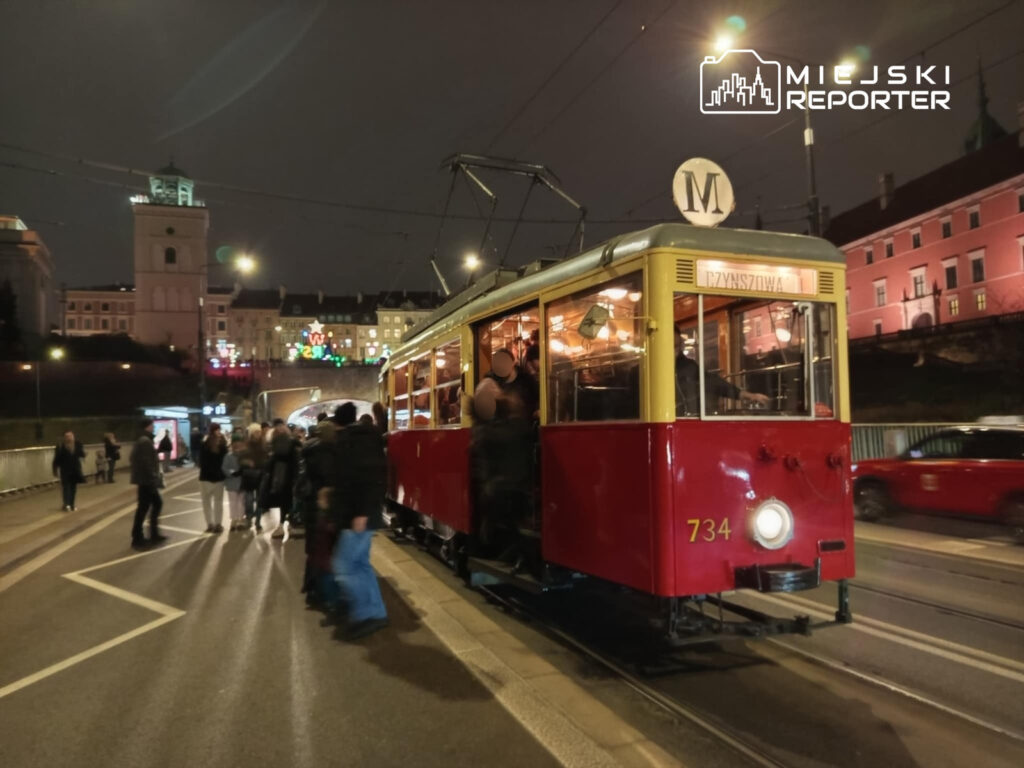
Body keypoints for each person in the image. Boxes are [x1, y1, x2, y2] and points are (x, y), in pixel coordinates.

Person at [330, 401, 389, 640]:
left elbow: (364, 477)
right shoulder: (365, 438)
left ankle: (366, 613)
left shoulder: (352, 441)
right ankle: (375, 612)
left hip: (356, 515)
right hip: (359, 512)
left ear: (338, 422)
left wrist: (361, 513)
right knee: (361, 565)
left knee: (344, 566)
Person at [674, 325, 770, 416]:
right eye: (670, 346)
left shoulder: (688, 366)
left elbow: (712, 382)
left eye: (676, 346)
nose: (675, 351)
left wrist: (743, 394)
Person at [130, 419, 165, 549]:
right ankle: (138, 537)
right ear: (148, 426)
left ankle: (151, 534)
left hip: (144, 480)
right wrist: (153, 477)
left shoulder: (141, 440)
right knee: (148, 506)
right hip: (146, 481)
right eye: (152, 426)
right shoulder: (145, 441)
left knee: (148, 506)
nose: (154, 428)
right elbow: (147, 462)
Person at [263, 422, 298, 540]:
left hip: (277, 478)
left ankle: (281, 526)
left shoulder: (273, 444)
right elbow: (296, 461)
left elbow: (269, 463)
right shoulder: (293, 443)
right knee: (288, 502)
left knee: (279, 501)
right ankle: (289, 524)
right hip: (288, 476)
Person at [487, 348, 539, 420]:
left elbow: (538, 400)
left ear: (513, 363)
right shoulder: (492, 383)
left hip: (525, 426)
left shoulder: (526, 380)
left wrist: (536, 412)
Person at [198, 423, 228, 533]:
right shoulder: (222, 445)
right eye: (218, 430)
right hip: (218, 478)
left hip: (205, 477)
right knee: (218, 502)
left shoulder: (204, 444)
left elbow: (201, 462)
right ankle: (218, 524)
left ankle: (210, 524)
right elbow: (224, 462)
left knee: (206, 502)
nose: (219, 432)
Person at [240, 423, 268, 532]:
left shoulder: (264, 445)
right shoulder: (246, 445)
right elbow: (240, 459)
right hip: (249, 475)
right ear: (251, 434)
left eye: (259, 432)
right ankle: (249, 517)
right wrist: (246, 462)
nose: (258, 434)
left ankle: (258, 521)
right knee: (249, 499)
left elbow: (267, 458)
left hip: (261, 475)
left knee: (260, 500)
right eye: (256, 432)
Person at [52, 431, 85, 511]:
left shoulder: (78, 444)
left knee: (73, 488)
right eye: (67, 436)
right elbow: (56, 459)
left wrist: (83, 454)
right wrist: (55, 469)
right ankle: (66, 504)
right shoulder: (60, 446)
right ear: (64, 438)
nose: (69, 438)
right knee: (66, 487)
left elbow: (81, 454)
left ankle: (72, 504)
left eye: (70, 436)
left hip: (75, 469)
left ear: (73, 437)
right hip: (65, 469)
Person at [222, 432, 248, 532]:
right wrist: (232, 473)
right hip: (232, 483)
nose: (237, 445)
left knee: (241, 502)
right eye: (235, 443)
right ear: (232, 445)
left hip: (242, 482)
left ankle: (241, 519)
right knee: (233, 502)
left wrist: (243, 471)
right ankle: (234, 520)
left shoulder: (244, 455)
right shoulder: (228, 456)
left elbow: (248, 466)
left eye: (239, 443)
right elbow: (224, 468)